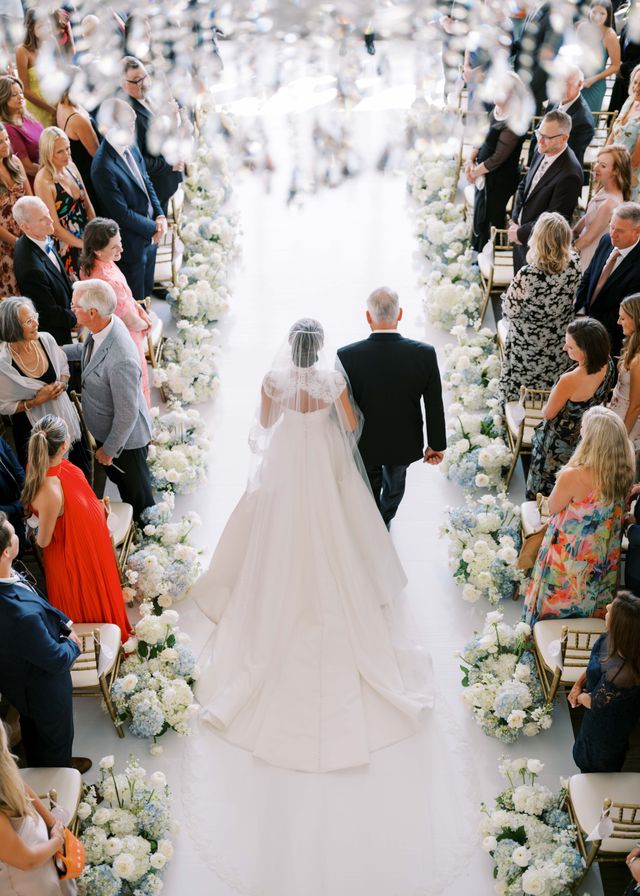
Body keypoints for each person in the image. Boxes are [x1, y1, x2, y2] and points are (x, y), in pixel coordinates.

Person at [194, 318, 434, 773]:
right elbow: (350, 423)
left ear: (290, 348)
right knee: (333, 522)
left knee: (278, 524)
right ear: (320, 349)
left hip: (287, 455)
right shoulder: (331, 382)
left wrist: (289, 413)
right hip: (322, 458)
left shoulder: (273, 381)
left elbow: (265, 423)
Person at [338, 287, 446, 527]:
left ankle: (370, 521)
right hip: (404, 439)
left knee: (368, 483)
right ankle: (385, 518)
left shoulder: (347, 356)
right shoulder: (424, 354)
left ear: (368, 316)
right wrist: (436, 444)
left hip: (364, 439)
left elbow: (343, 404)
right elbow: (433, 403)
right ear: (400, 314)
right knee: (395, 483)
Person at [523, 406, 634, 626]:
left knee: (556, 602)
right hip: (601, 556)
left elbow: (553, 507)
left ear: (592, 439)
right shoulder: (623, 474)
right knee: (588, 605)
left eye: (584, 427)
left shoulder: (574, 475)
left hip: (569, 556)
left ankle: (542, 637)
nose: (581, 430)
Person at [23, 415, 131, 639]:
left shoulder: (46, 465)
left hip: (90, 543)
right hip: (73, 556)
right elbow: (43, 541)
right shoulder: (50, 490)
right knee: (86, 600)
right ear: (64, 445)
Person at [64, 279, 155, 522]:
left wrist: (109, 450)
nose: (71, 309)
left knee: (139, 500)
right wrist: (53, 351)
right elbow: (87, 352)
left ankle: (147, 535)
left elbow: (127, 413)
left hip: (126, 443)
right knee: (125, 488)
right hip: (112, 435)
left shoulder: (121, 358)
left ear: (92, 312)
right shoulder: (104, 326)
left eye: (75, 306)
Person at [0, 511, 81, 767]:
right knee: (57, 738)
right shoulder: (19, 615)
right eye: (14, 534)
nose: (18, 536)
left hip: (21, 681)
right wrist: (73, 644)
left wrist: (64, 622)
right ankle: (61, 772)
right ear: (6, 551)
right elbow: (56, 660)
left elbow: (35, 597)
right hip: (42, 689)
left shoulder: (7, 573)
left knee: (36, 732)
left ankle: (42, 763)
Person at [526, 317, 616, 499]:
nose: (564, 348)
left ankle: (537, 508)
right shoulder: (608, 363)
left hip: (557, 442)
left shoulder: (570, 380)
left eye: (570, 346)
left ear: (586, 351)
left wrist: (546, 405)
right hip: (585, 438)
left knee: (543, 485)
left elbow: (548, 414)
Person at [497, 212, 581, 403]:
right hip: (559, 342)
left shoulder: (528, 274)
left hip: (528, 346)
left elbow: (509, 310)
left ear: (538, 239)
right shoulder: (575, 262)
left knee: (519, 385)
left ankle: (514, 410)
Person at [0, 297, 88, 476]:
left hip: (64, 421)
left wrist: (61, 385)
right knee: (46, 481)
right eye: (28, 321)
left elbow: (63, 368)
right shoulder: (3, 365)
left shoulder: (46, 340)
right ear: (12, 327)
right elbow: (4, 406)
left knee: (77, 475)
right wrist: (35, 401)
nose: (36, 323)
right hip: (32, 431)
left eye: (35, 316)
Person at [90, 97, 166, 301]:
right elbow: (121, 214)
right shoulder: (103, 167)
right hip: (131, 244)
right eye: (126, 125)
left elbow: (146, 181)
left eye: (132, 124)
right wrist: (154, 228)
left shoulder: (129, 144)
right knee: (136, 299)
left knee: (147, 290)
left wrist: (159, 215)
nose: (132, 130)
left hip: (149, 233)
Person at [80, 217, 152, 403]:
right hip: (125, 335)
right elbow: (130, 321)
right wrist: (146, 324)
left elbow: (125, 298)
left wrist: (138, 308)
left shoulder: (92, 264)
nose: (121, 248)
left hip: (110, 330)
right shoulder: (108, 281)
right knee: (135, 381)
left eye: (119, 241)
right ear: (98, 250)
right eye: (114, 246)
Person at [0, 720, 75, 896]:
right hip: (26, 882)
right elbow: (27, 861)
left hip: (45, 854)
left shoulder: (4, 770)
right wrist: (57, 840)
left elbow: (20, 785)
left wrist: (52, 822)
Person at [569, 592, 640, 772]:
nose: (607, 607)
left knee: (594, 762)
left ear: (620, 627)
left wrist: (580, 696)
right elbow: (595, 665)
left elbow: (595, 702)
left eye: (611, 610)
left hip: (605, 724)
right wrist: (578, 684)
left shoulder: (622, 673)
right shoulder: (614, 637)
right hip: (597, 704)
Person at [509, 109, 584, 273]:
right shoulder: (542, 149)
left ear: (564, 138)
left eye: (547, 137)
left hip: (539, 248)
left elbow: (553, 220)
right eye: (539, 133)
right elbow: (524, 185)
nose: (540, 140)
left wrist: (520, 233)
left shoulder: (570, 174)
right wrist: (515, 220)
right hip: (520, 233)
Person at [465, 71, 527, 252]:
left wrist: (475, 172)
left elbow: (498, 158)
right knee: (480, 211)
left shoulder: (514, 121)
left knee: (491, 215)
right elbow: (482, 136)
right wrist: (470, 159)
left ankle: (492, 253)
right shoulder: (497, 110)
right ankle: (477, 249)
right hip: (483, 171)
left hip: (500, 178)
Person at [120, 56, 184, 216]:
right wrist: (169, 165)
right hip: (156, 187)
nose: (144, 84)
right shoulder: (128, 115)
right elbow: (137, 160)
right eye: (137, 80)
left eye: (145, 76)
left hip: (170, 177)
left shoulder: (151, 94)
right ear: (123, 83)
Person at [575, 202, 640, 357]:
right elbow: (589, 276)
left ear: (637, 231)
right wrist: (579, 310)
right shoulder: (606, 240)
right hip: (585, 325)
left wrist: (589, 324)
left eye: (620, 231)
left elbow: (627, 310)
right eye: (611, 227)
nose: (613, 234)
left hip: (611, 339)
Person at [12, 195, 76, 346]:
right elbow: (47, 313)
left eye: (48, 213)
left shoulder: (39, 236)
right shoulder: (31, 269)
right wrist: (76, 318)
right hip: (55, 338)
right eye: (42, 219)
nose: (51, 220)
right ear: (25, 227)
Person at [34, 126, 95, 278]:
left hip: (87, 236)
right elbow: (54, 228)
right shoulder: (43, 181)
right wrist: (84, 245)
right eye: (60, 151)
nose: (66, 154)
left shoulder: (71, 166)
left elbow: (87, 204)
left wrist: (95, 234)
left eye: (68, 148)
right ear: (48, 153)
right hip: (66, 245)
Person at [573, 144, 631, 271]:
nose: (596, 168)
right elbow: (588, 216)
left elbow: (588, 239)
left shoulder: (610, 204)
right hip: (583, 245)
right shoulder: (604, 188)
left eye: (603, 166)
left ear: (616, 171)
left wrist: (566, 253)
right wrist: (573, 232)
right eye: (597, 162)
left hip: (588, 257)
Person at [527, 65, 595, 167]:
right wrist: (531, 163)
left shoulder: (583, 122)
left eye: (567, 84)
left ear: (580, 84)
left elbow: (566, 159)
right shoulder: (555, 99)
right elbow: (538, 130)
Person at [513, 0, 563, 113]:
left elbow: (548, 58)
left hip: (533, 84)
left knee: (530, 120)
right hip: (521, 77)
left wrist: (529, 87)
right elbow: (526, 41)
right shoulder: (534, 8)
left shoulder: (554, 14)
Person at [56, 87, 100, 209]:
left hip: (83, 168)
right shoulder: (77, 119)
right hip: (93, 174)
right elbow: (97, 154)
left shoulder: (62, 104)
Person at [0, 121, 30, 298]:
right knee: (17, 293)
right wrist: (19, 243)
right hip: (6, 244)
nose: (5, 145)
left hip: (28, 231)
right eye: (0, 142)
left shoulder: (15, 162)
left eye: (6, 139)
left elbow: (31, 198)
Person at [576, 1, 621, 113]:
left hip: (595, 84)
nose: (597, 17)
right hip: (576, 80)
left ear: (608, 15)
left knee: (588, 118)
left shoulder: (610, 35)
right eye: (594, 12)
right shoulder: (582, 28)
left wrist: (593, 79)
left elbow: (615, 66)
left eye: (602, 13)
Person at [15, 9, 57, 128]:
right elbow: (25, 90)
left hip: (57, 101)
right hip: (38, 107)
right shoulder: (22, 51)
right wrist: (51, 110)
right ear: (30, 28)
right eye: (41, 26)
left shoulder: (52, 41)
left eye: (48, 24)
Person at [609, 294, 640, 452]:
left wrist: (622, 439)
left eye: (623, 318)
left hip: (627, 425)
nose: (618, 322)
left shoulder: (638, 360)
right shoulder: (633, 347)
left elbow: (636, 406)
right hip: (617, 417)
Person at [0, 75, 43, 189]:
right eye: (14, 95)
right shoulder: (8, 129)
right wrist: (53, 170)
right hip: (37, 182)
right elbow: (28, 168)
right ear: (3, 99)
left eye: (21, 92)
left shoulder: (26, 116)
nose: (21, 97)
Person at [607, 63, 640, 200]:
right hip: (610, 169)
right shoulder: (630, 100)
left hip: (627, 175)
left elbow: (635, 160)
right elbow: (614, 132)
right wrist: (603, 159)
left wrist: (612, 174)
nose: (636, 88)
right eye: (635, 82)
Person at [0, 436, 25, 555]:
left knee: (20, 547)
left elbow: (18, 471)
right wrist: (19, 507)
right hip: (4, 519)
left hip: (16, 505)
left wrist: (26, 492)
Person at [609, 22, 640, 115]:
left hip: (635, 81)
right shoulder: (627, 26)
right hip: (620, 80)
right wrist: (616, 62)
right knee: (613, 111)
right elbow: (619, 47)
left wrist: (621, 67)